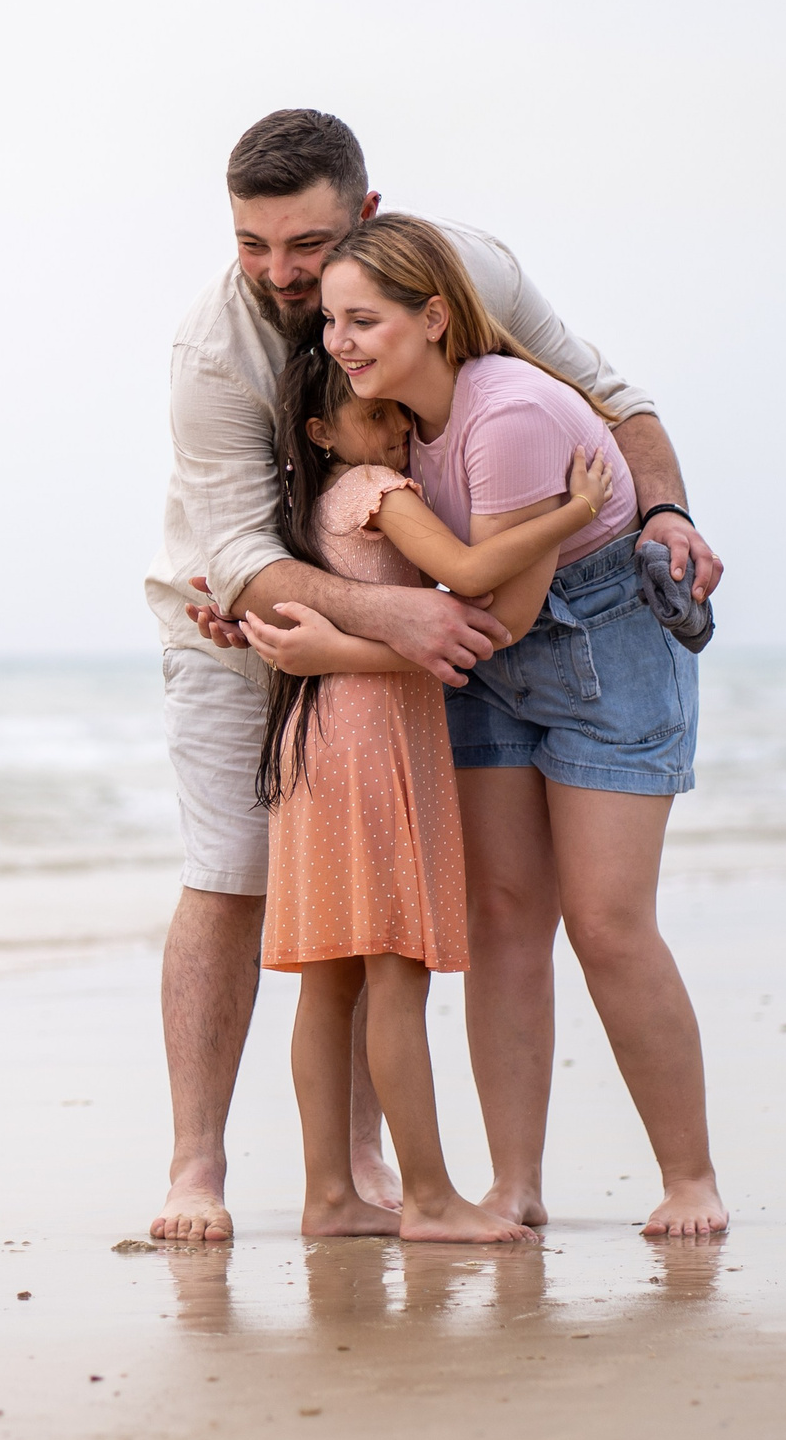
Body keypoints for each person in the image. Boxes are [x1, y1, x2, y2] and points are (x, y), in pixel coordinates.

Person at [145, 108, 722, 1243]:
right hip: (255, 613)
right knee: (245, 882)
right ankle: (204, 1168)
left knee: (453, 927)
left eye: (304, 247)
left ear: (370, 217)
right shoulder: (215, 350)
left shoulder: (469, 284)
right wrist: (384, 621)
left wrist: (658, 506)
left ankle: (382, 1174)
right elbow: (246, 562)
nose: (278, 274)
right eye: (251, 244)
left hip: (471, 629)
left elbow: (612, 398)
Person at [253, 336, 608, 1243]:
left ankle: (329, 1196)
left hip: (320, 739)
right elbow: (475, 572)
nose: (400, 434)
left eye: (404, 418)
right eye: (375, 417)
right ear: (322, 430)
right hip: (373, 741)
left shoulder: (311, 512)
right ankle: (428, 1197)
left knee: (330, 983)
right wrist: (573, 512)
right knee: (395, 974)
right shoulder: (377, 491)